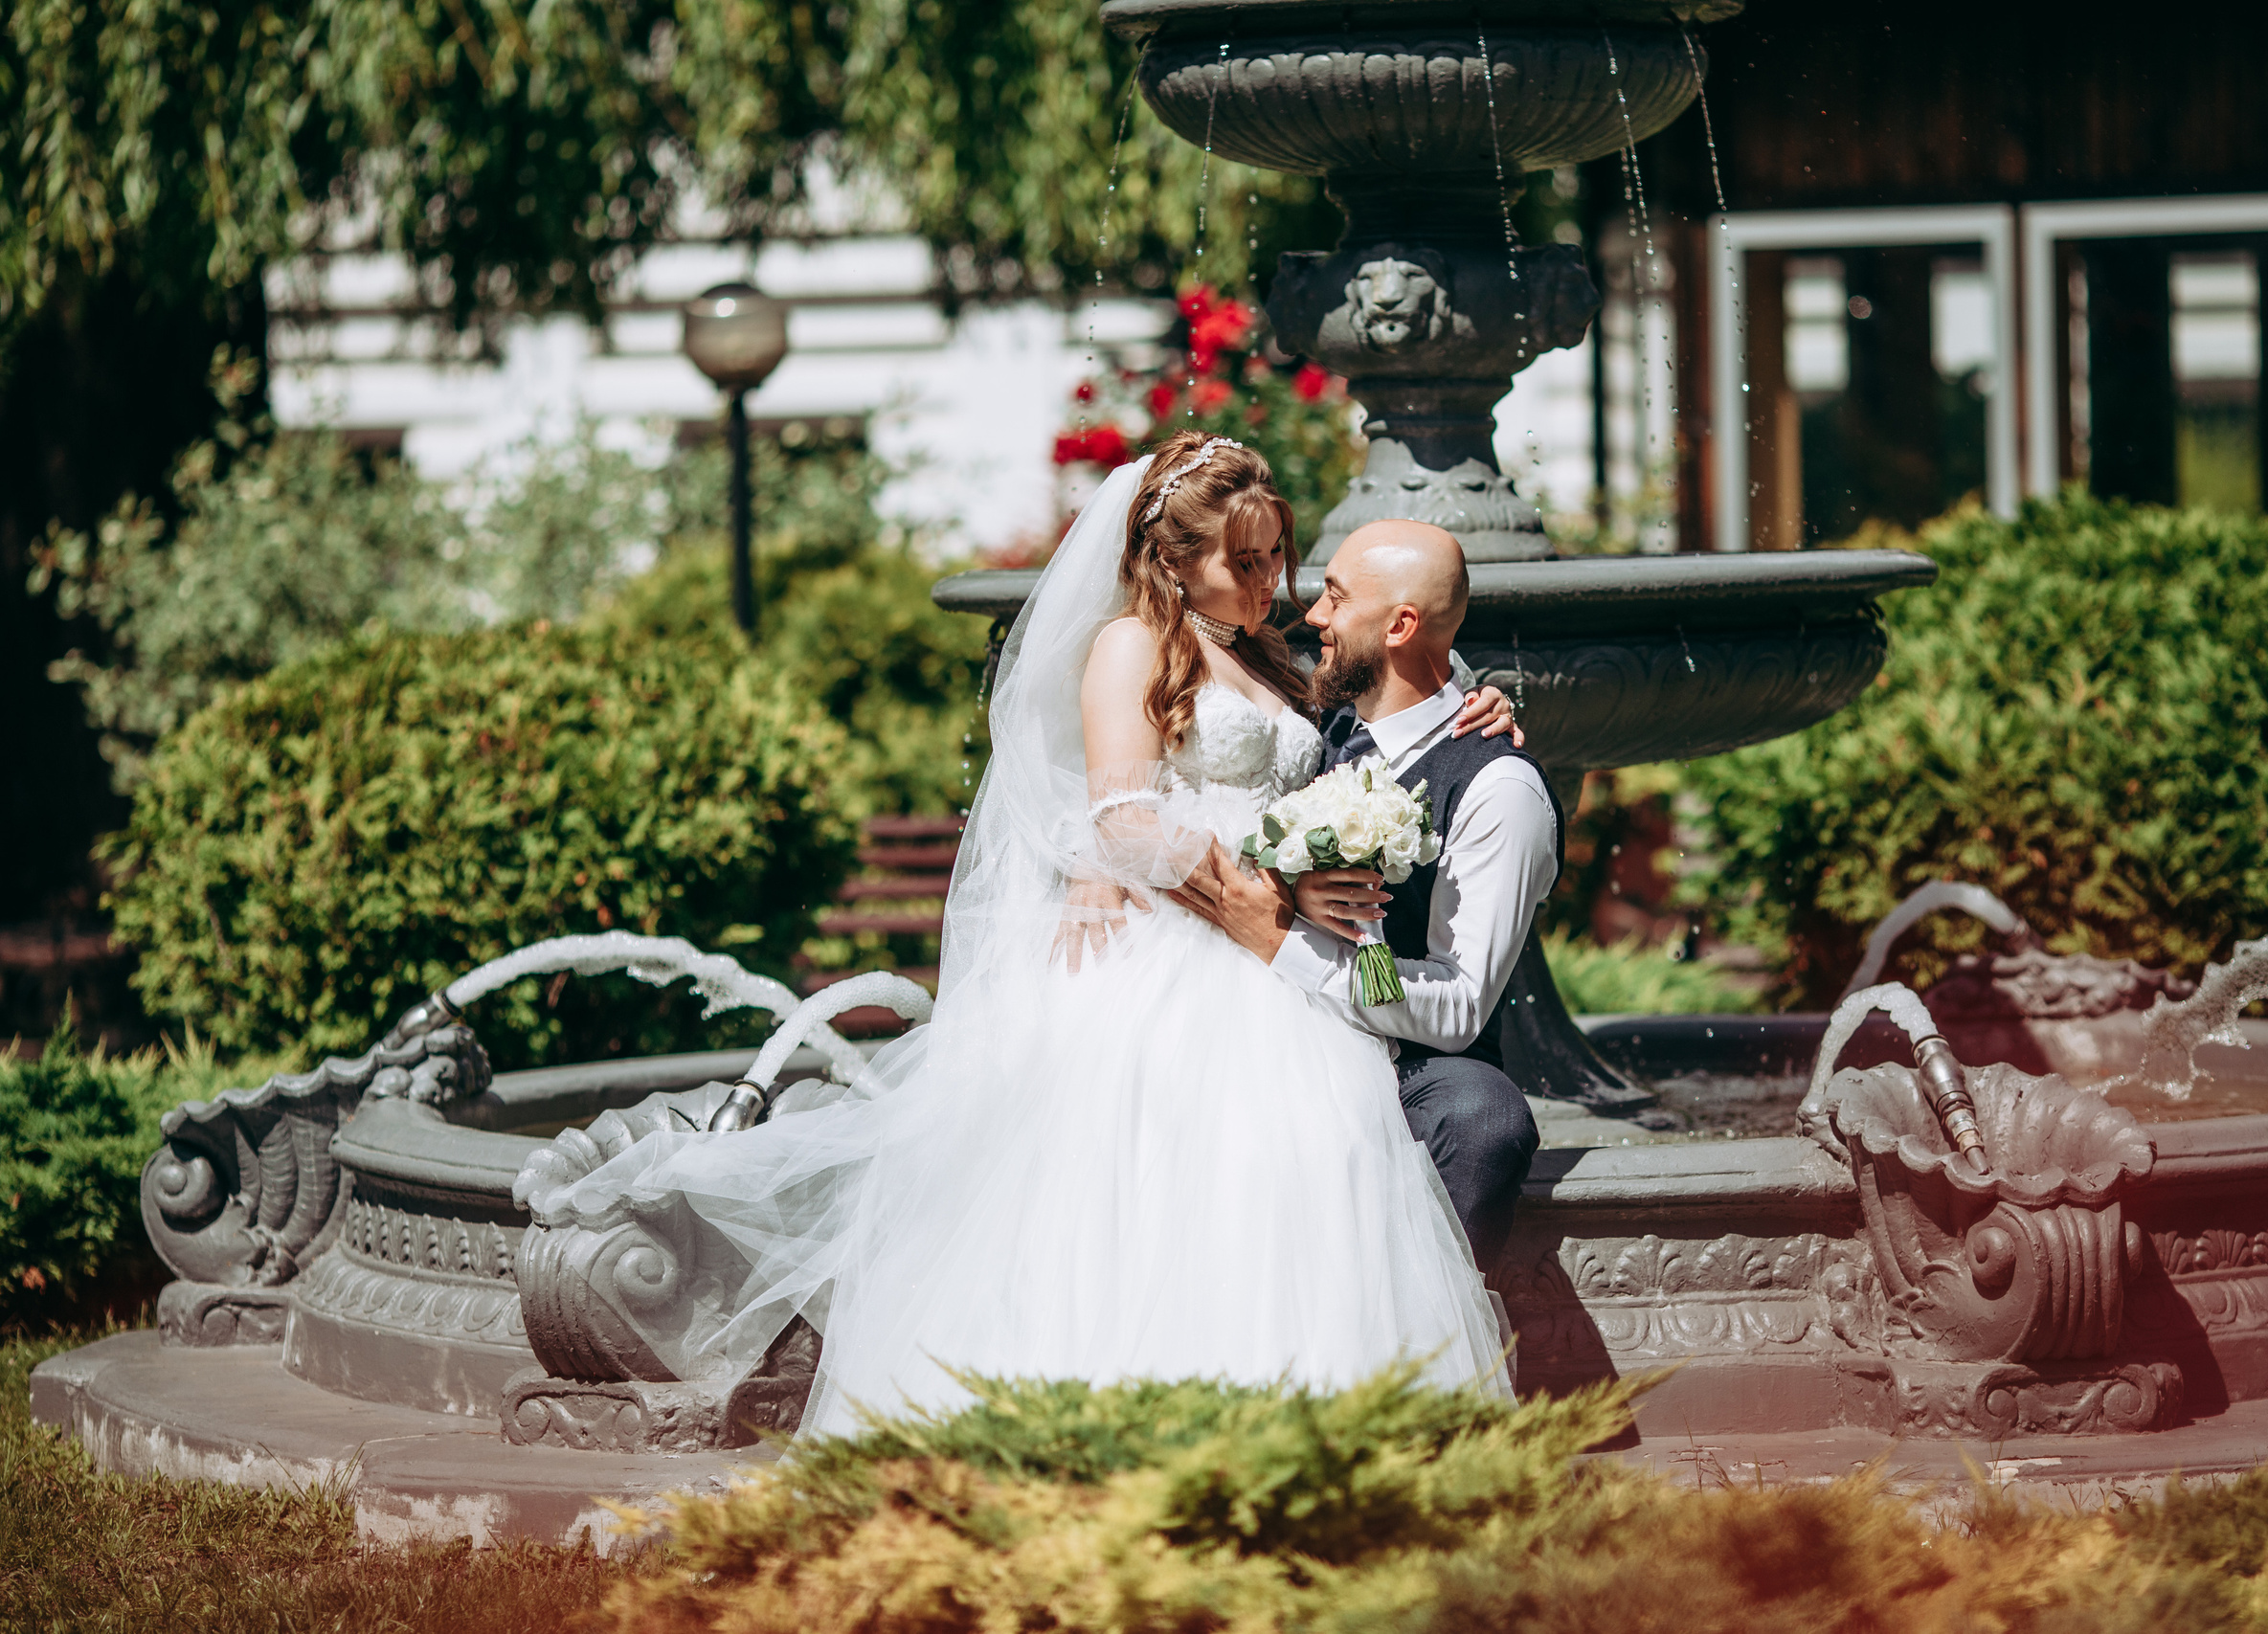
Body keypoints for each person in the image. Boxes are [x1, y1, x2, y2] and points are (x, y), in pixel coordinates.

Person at [518, 432, 1536, 1436]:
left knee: (1304, 1174)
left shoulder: (1269, 655)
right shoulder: (1131, 645)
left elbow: (1384, 685)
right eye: (1246, 559)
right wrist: (1254, 880)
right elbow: (1122, 815)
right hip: (1184, 958)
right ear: (1171, 561)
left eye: (1279, 555)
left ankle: (1306, 1411)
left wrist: (1476, 694)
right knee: (1154, 1181)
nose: (1272, 580)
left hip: (1279, 970)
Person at [1166, 519, 1557, 1272]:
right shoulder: (1324, 725)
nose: (1311, 614)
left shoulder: (1499, 789)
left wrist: (1278, 939)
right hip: (1261, 1026)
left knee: (1484, 1116)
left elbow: (1460, 1003)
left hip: (1408, 1062)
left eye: (1335, 598)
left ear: (1401, 624)